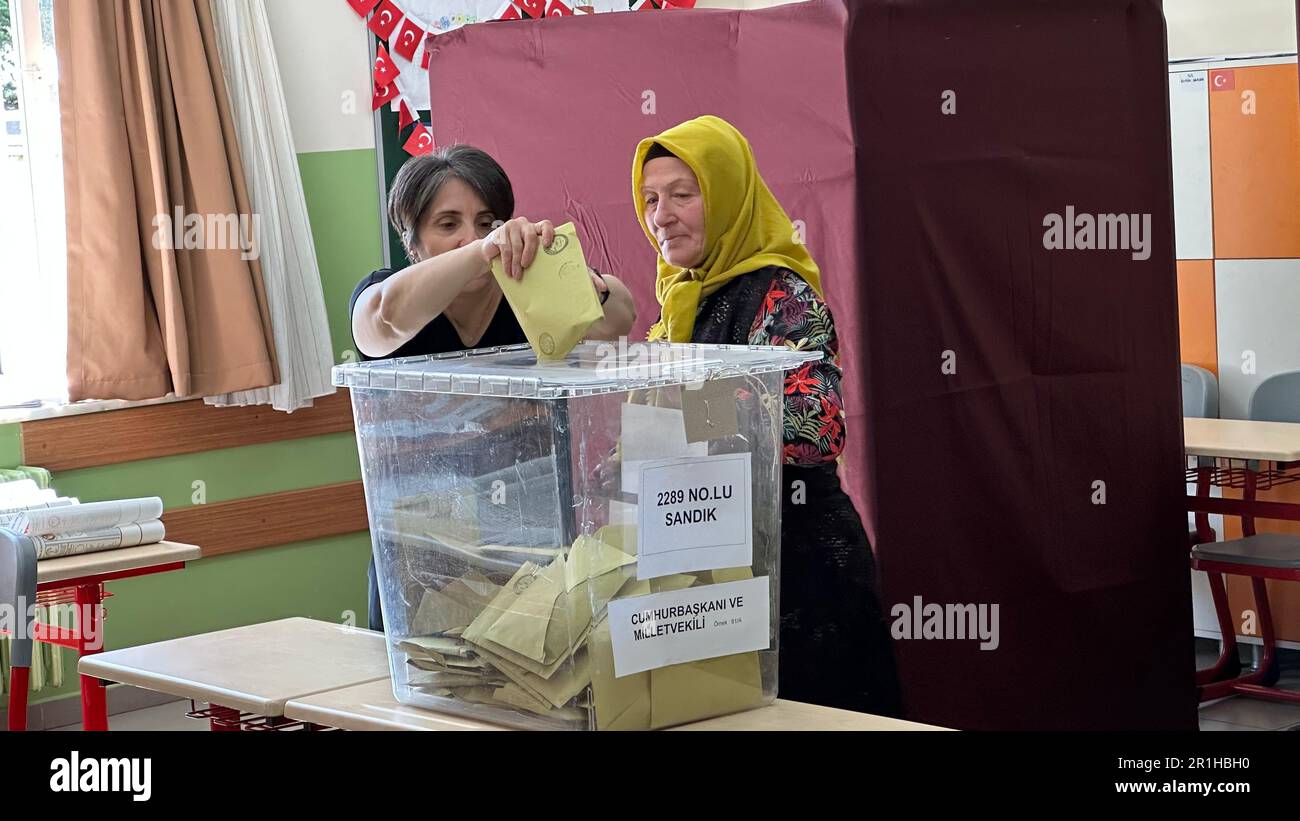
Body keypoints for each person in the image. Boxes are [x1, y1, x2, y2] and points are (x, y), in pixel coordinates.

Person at [632, 115, 902, 716]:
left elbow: (816, 422)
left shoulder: (778, 292)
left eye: (683, 193)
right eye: (650, 199)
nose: (662, 215)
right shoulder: (681, 300)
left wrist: (682, 410)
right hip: (718, 561)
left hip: (803, 567)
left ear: (729, 193)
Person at [350, 144, 636, 632]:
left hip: (530, 552)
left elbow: (620, 317)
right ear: (412, 242)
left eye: (487, 223)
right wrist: (481, 252)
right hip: (419, 561)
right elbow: (382, 324)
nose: (473, 237)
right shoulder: (387, 293)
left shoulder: (528, 298)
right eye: (448, 224)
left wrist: (570, 279)